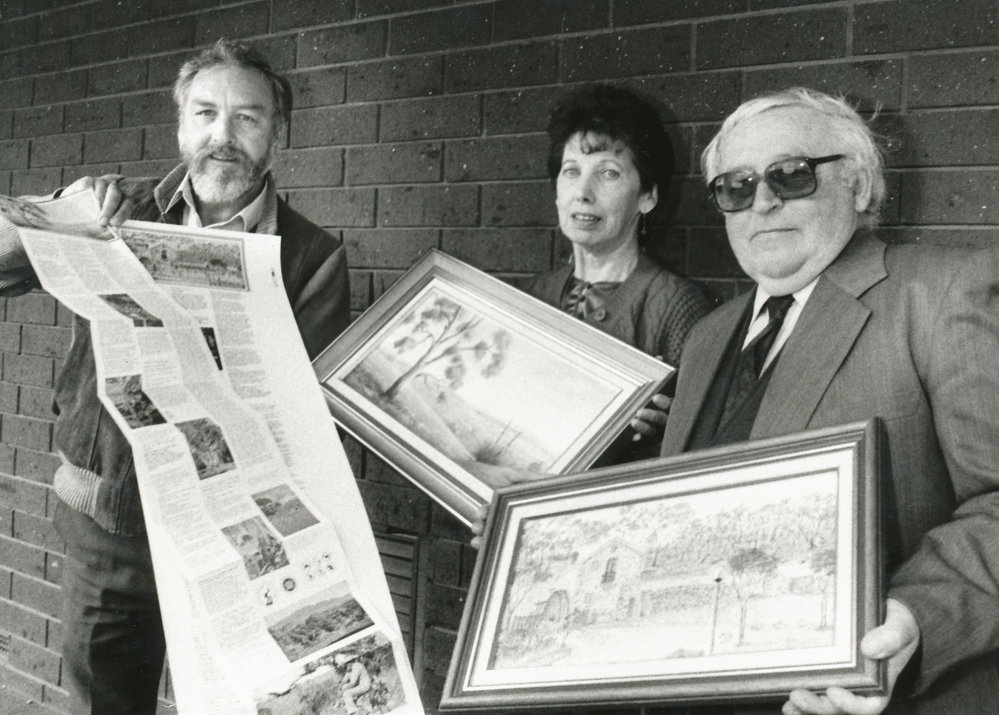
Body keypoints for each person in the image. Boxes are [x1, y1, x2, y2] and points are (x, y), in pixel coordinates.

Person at [0, 39, 350, 713]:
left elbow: (309, 417)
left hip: (235, 546)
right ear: (180, 125)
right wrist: (55, 209)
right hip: (109, 531)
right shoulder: (113, 210)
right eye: (205, 113)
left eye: (248, 118)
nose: (224, 136)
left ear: (278, 133)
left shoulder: (311, 256)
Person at [659, 86, 999, 714]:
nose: (761, 201)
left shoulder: (945, 292)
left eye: (790, 176)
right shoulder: (708, 338)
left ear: (861, 186)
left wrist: (912, 616)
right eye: (735, 187)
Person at [522, 84, 712, 459]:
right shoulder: (531, 297)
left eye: (608, 173)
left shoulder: (679, 307)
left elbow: (699, 441)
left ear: (648, 196)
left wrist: (675, 426)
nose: (583, 192)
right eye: (571, 171)